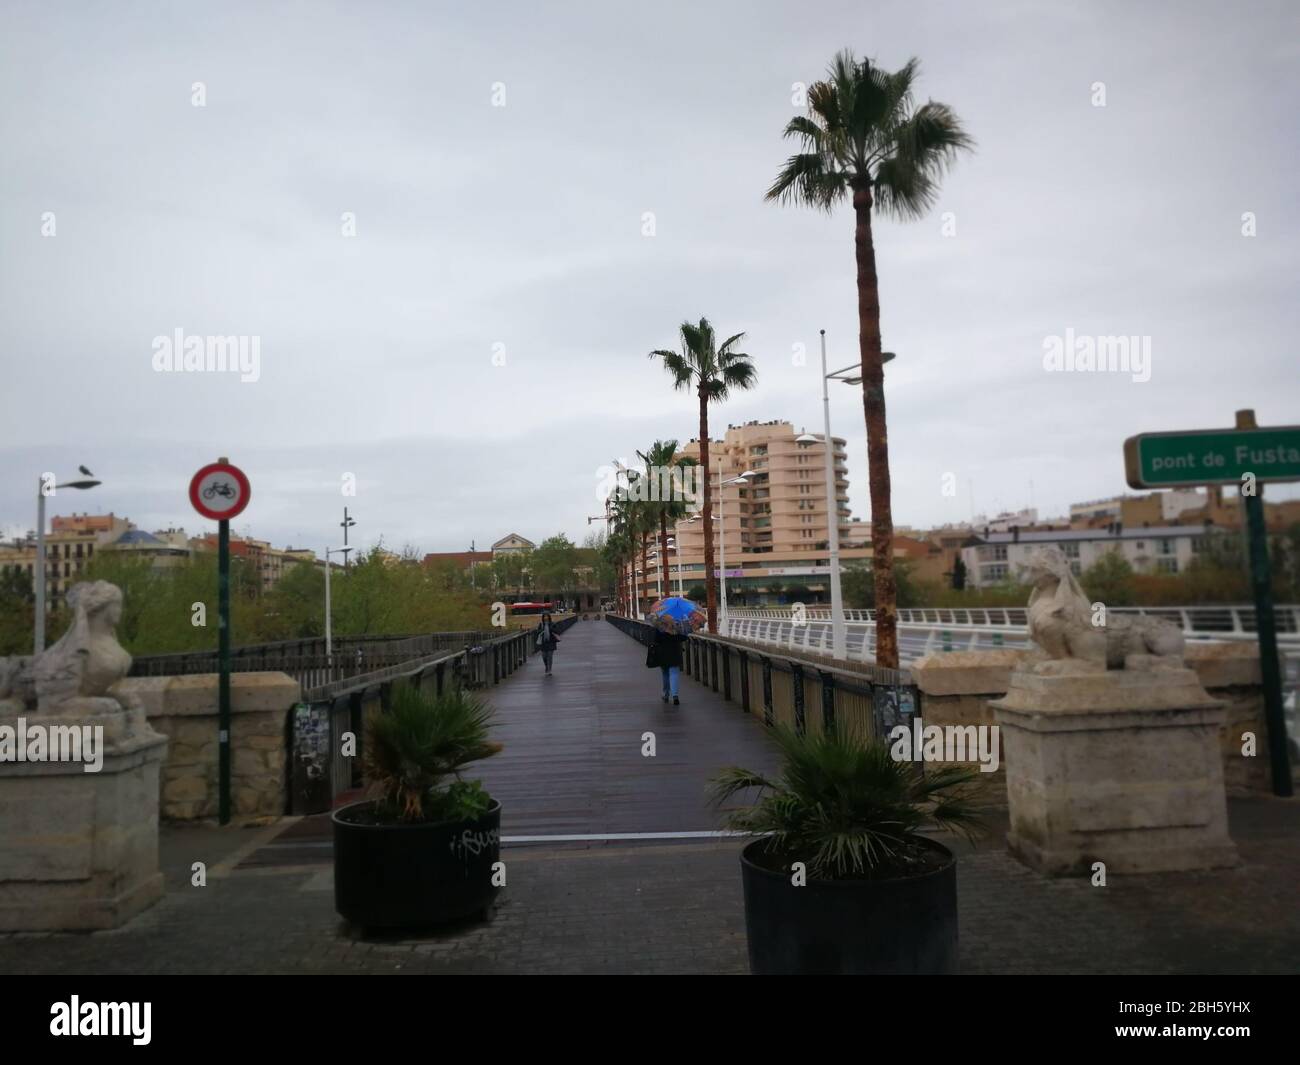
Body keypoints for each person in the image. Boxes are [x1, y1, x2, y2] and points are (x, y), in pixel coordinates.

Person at [652, 615, 686, 706]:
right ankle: (675, 696)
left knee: (665, 673)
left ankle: (666, 694)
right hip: (675, 652)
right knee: (674, 672)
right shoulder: (677, 624)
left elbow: (656, 639)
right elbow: (683, 638)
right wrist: (676, 630)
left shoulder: (660, 625)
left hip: (663, 652)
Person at [535, 612, 560, 676]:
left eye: (547, 616)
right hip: (543, 643)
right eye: (544, 616)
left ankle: (549, 670)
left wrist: (550, 628)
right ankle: (546, 666)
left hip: (551, 642)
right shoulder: (541, 624)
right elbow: (537, 632)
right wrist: (543, 629)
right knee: (544, 657)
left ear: (549, 617)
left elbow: (557, 631)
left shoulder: (552, 623)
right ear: (543, 618)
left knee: (550, 657)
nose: (546, 618)